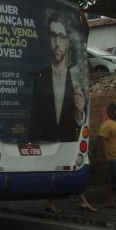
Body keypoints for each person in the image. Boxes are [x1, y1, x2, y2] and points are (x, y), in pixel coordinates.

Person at [29, 12, 87, 142]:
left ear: (67, 42)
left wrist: (79, 113)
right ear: (48, 39)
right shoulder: (40, 77)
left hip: (68, 149)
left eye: (61, 37)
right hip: (43, 149)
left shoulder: (76, 77)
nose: (56, 43)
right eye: (53, 36)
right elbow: (34, 123)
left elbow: (82, 122)